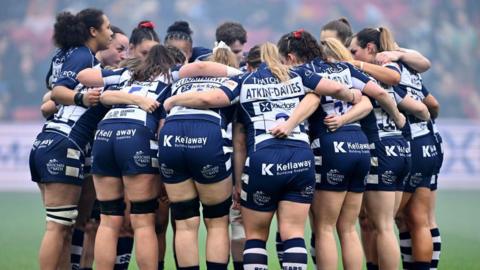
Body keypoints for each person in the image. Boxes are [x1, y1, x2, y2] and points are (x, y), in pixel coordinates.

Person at [163, 42, 361, 270]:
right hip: (300, 158)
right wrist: (351, 94)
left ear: (249, 64)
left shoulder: (244, 80)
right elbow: (330, 91)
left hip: (262, 159)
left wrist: (174, 101)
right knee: (294, 233)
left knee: (255, 236)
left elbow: (212, 102)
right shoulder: (298, 74)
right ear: (281, 58)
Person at [277, 30, 406, 270]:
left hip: (329, 146)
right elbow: (376, 95)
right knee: (348, 228)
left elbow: (310, 101)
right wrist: (397, 117)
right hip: (360, 146)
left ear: (291, 57)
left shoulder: (302, 72)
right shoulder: (345, 68)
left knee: (325, 228)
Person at [29, 8, 112, 270]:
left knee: (63, 227)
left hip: (51, 139)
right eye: (107, 27)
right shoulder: (81, 54)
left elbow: (50, 97)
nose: (110, 32)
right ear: (93, 31)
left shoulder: (61, 56)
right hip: (64, 143)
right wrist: (82, 98)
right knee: (57, 227)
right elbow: (58, 91)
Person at [350, 27, 434, 270]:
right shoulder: (397, 66)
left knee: (383, 226)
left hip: (381, 150)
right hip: (403, 149)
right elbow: (423, 110)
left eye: (354, 51)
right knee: (389, 223)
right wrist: (402, 117)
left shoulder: (375, 74)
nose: (351, 55)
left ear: (370, 48)